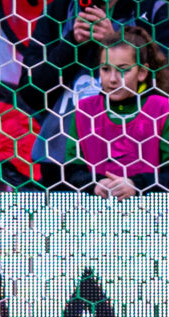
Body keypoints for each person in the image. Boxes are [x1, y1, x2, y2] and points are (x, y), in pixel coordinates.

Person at [18, 0, 169, 184]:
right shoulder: (60, 10)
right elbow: (31, 93)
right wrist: (72, 45)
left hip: (136, 166)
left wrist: (114, 43)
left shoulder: (154, 9)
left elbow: (163, 85)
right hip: (63, 165)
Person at [62, 27, 169, 197]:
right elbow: (72, 170)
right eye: (105, 69)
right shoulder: (85, 110)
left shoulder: (162, 108)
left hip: (151, 208)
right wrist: (96, 183)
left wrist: (136, 185)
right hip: (97, 208)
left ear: (142, 72)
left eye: (123, 69)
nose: (112, 79)